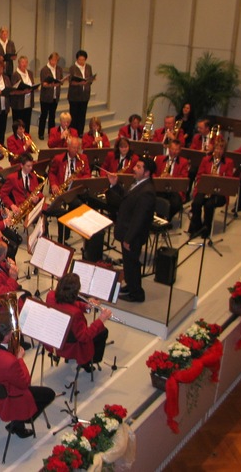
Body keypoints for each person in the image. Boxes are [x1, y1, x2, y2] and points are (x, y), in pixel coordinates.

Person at [0, 312, 55, 439]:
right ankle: (19, 423)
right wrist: (19, 359)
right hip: (5, 399)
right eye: (11, 331)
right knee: (49, 394)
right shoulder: (8, 362)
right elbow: (25, 382)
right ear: (5, 337)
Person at [106, 157, 157, 303]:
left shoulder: (147, 191)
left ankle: (136, 294)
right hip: (127, 232)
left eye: (139, 167)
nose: (134, 168)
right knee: (128, 263)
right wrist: (115, 185)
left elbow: (139, 218)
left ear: (147, 173)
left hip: (133, 235)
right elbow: (127, 199)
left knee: (132, 263)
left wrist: (129, 238)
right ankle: (130, 285)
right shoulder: (138, 183)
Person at [46, 273, 111, 370]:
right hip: (69, 347)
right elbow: (84, 337)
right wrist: (101, 320)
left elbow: (68, 304)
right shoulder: (75, 314)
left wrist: (86, 306)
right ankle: (89, 361)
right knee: (103, 332)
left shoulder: (50, 296)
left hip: (52, 341)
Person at [188, 138, 236, 237]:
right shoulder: (206, 160)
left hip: (220, 192)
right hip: (205, 189)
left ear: (224, 151)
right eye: (216, 149)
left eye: (221, 149)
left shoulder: (229, 162)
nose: (218, 151)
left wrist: (219, 178)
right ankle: (197, 227)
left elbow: (229, 179)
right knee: (196, 203)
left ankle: (206, 229)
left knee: (209, 205)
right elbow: (199, 175)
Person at [47, 136, 91, 242]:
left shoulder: (83, 158)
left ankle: (71, 228)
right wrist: (54, 184)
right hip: (62, 189)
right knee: (61, 211)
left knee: (80, 205)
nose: (76, 150)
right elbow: (51, 172)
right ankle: (63, 237)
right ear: (68, 147)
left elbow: (88, 174)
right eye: (74, 148)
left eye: (77, 148)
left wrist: (78, 179)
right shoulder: (58, 158)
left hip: (75, 190)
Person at [154, 139, 190, 220]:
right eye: (172, 149)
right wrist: (159, 178)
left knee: (176, 204)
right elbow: (153, 173)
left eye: (176, 149)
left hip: (175, 190)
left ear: (180, 150)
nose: (174, 152)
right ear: (168, 148)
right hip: (160, 188)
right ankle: (159, 218)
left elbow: (184, 178)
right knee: (154, 199)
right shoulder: (159, 159)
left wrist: (171, 177)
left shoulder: (184, 162)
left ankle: (166, 219)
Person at [67, 49, 94, 135]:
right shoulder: (72, 68)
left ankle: (80, 132)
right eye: (80, 60)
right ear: (77, 59)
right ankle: (73, 132)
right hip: (74, 95)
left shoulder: (88, 67)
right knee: (74, 115)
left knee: (82, 115)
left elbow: (90, 78)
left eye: (83, 60)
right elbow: (70, 81)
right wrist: (79, 83)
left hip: (85, 95)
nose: (81, 61)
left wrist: (89, 81)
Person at [38, 52, 65, 140]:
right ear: (49, 60)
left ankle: (51, 133)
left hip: (55, 95)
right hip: (46, 96)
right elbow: (43, 83)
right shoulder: (44, 69)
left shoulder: (59, 69)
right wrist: (51, 85)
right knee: (44, 115)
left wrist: (60, 82)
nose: (54, 62)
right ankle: (41, 133)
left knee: (52, 116)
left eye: (56, 60)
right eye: (53, 60)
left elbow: (61, 80)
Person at [9, 56, 35, 133]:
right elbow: (13, 91)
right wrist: (23, 92)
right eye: (22, 62)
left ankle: (26, 137)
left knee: (27, 120)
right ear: (19, 63)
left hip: (28, 100)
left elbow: (32, 84)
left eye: (26, 62)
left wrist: (34, 88)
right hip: (18, 103)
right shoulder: (15, 74)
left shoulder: (30, 73)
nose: (24, 64)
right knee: (18, 122)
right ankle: (17, 138)